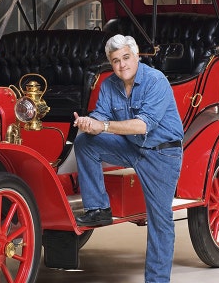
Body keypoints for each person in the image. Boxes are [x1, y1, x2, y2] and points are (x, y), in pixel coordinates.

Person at [72, 34, 184, 282]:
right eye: (115, 61)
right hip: (132, 147)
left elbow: (144, 126)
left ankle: (157, 280)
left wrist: (104, 126)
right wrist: (88, 123)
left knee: (160, 220)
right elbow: (100, 116)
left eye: (126, 57)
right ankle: (98, 208)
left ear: (136, 56)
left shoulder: (156, 81)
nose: (122, 65)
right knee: (84, 142)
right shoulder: (109, 85)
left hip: (162, 152)